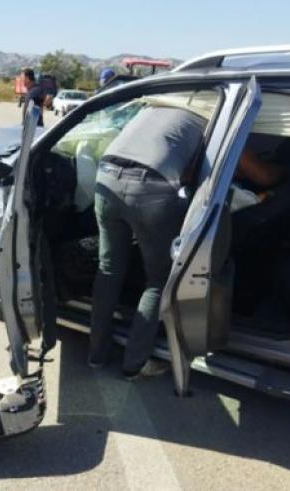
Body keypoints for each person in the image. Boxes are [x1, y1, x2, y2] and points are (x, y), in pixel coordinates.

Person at [88, 105, 207, 380]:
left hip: (105, 177)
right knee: (157, 280)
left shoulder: (155, 105)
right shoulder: (210, 114)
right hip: (150, 188)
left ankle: (96, 355)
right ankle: (134, 364)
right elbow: (196, 173)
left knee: (108, 270)